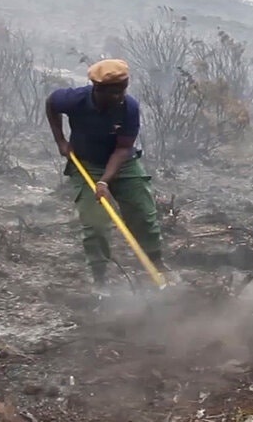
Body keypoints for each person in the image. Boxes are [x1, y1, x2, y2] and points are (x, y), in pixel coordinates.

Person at [45, 58, 167, 293]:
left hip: (124, 164)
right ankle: (100, 280)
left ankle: (157, 264)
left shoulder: (129, 108)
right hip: (86, 164)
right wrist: (61, 141)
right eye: (112, 93)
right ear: (97, 89)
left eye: (122, 90)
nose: (118, 97)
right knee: (96, 225)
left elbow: (123, 149)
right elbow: (51, 103)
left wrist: (104, 182)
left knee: (143, 212)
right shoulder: (74, 99)